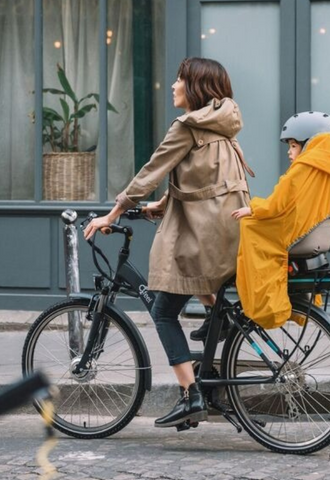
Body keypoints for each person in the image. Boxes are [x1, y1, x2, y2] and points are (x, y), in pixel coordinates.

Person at [84, 57, 252, 428]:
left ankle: (190, 395)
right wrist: (160, 206)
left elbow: (150, 172)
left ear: (194, 88)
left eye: (179, 80)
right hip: (228, 231)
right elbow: (207, 178)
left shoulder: (188, 126)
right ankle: (215, 322)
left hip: (205, 235)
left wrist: (113, 214)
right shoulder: (224, 124)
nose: (174, 86)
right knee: (191, 281)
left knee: (162, 312)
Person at [232, 111, 330, 329]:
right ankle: (296, 306)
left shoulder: (304, 166)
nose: (289, 152)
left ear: (308, 143)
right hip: (318, 234)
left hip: (295, 234)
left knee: (251, 228)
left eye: (293, 145)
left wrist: (253, 208)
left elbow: (278, 203)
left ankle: (267, 308)